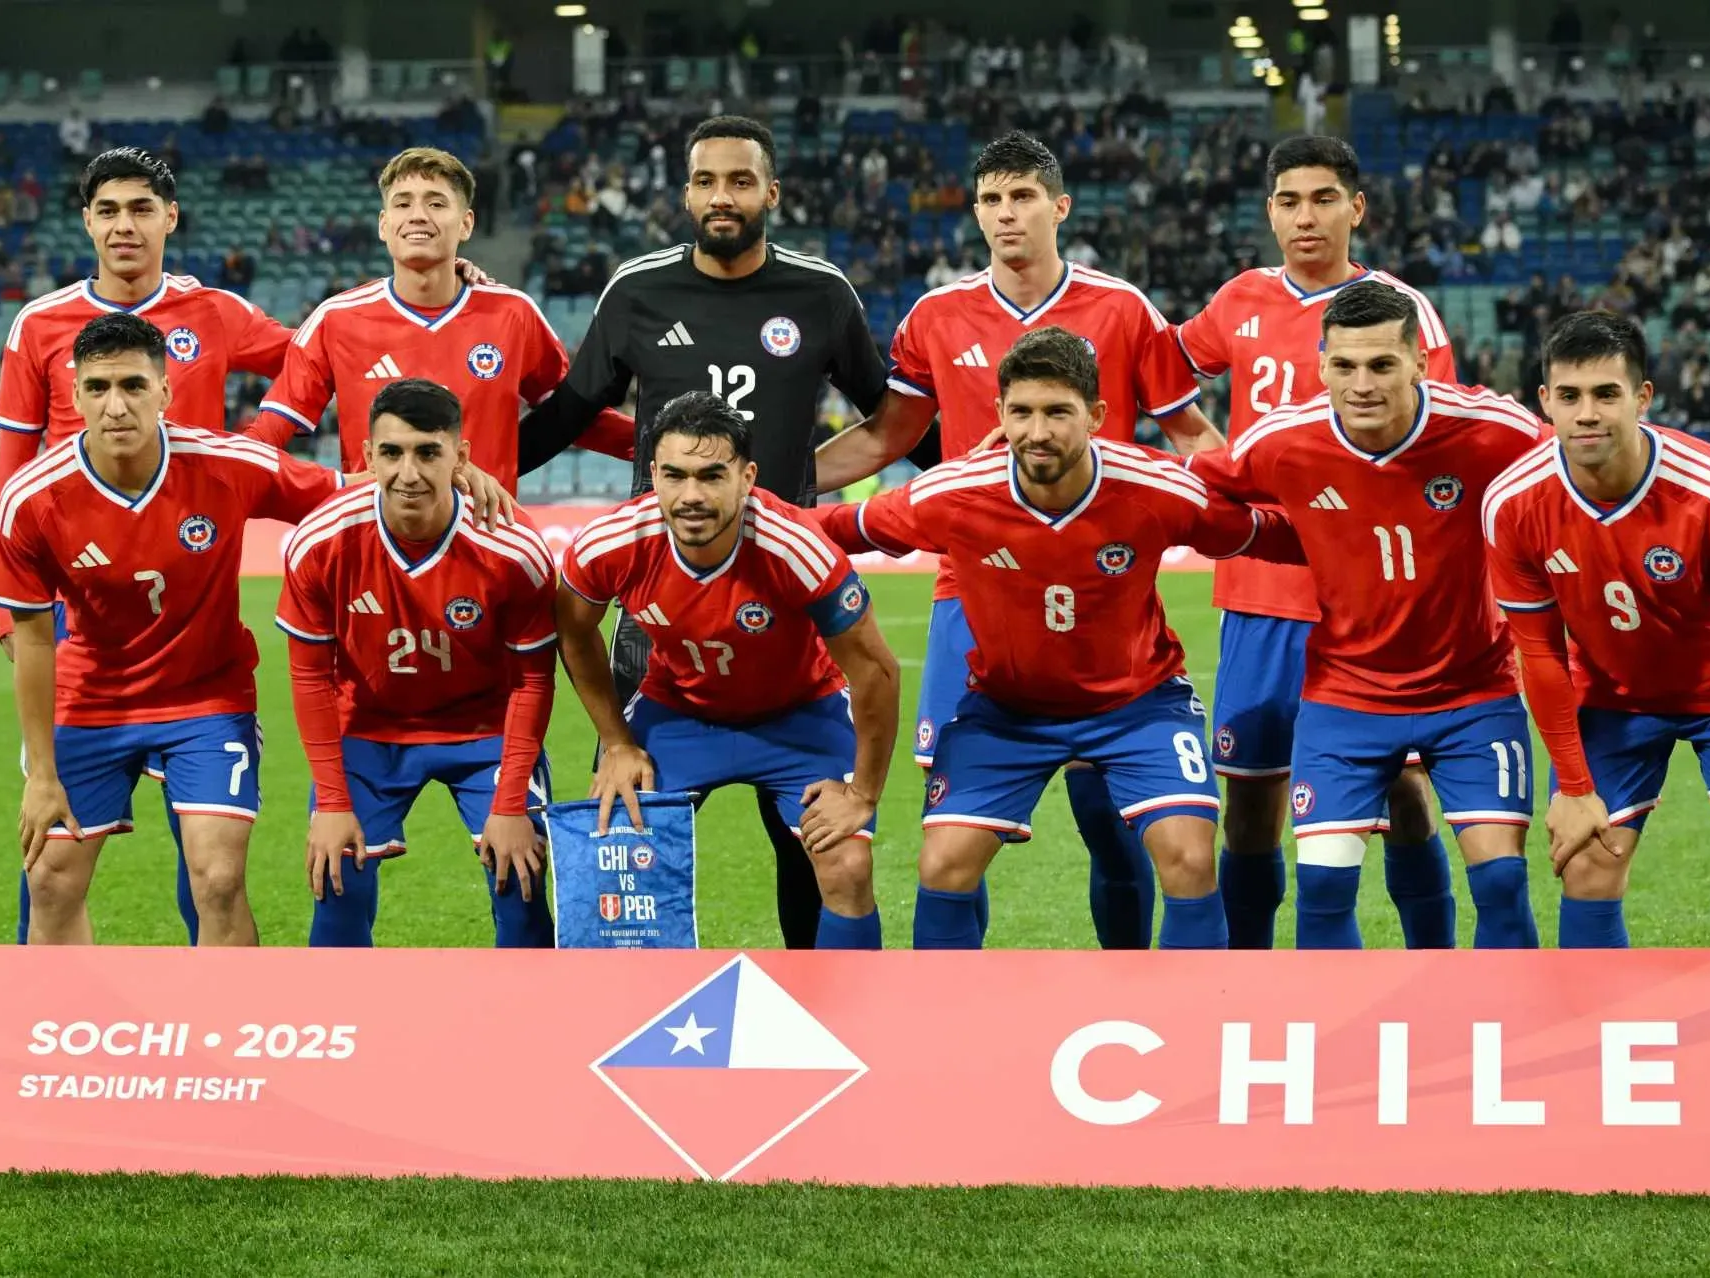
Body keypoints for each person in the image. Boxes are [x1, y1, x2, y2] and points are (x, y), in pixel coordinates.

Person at [811, 131, 1223, 952]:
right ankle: (966, 1000)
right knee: (958, 839)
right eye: (993, 199)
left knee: (1112, 821)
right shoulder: (936, 316)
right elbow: (888, 436)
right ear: (975, 212)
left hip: (1099, 585)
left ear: (1059, 207)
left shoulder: (1122, 310)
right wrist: (770, 488)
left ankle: (1130, 983)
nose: (1008, 214)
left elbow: (1191, 435)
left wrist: (1279, 505)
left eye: (1024, 196)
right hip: (974, 588)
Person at [517, 115, 898, 951]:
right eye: (706, 182)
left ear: (771, 193)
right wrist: (475, 476)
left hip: (785, 584)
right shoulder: (637, 291)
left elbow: (889, 416)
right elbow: (569, 414)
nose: (723, 197)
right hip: (657, 595)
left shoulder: (821, 293)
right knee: (630, 835)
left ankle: (820, 996)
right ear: (687, 195)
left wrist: (813, 478)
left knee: (807, 841)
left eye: (740, 181)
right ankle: (638, 1004)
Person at [819, 327, 1302, 950]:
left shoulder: (1154, 488)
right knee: (942, 864)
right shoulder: (955, 493)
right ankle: (945, 1010)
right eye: (1021, 412)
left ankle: (1199, 1009)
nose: (1037, 431)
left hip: (1140, 705)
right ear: (998, 413)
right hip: (1005, 712)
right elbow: (833, 527)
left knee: (1188, 858)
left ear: (1096, 416)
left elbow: (1268, 534)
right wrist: (733, 520)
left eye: (1057, 412)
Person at [0, 147, 293, 945]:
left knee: (211, 866)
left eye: (141, 209)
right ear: (87, 222)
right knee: (51, 858)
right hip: (81, 602)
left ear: (170, 218)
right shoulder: (40, 325)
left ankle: (212, 1010)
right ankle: (43, 1009)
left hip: (192, 587)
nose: (125, 225)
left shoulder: (214, 312)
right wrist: (11, 613)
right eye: (109, 211)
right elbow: (11, 469)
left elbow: (320, 359)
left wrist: (260, 443)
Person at [1187, 281, 1544, 950]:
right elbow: (1189, 485)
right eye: (1345, 366)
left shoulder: (1492, 430)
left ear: (1419, 362)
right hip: (1345, 697)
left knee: (1501, 881)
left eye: (1382, 365)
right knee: (1322, 889)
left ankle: (1488, 1008)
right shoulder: (1285, 439)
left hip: (1472, 692)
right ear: (1321, 365)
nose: (1362, 385)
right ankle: (1320, 1020)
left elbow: (1583, 461)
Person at [1173, 135, 1459, 951]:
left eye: (1324, 199)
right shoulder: (1240, 300)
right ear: (1270, 212)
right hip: (1261, 591)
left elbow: (1441, 438)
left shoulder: (1399, 310)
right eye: (1290, 201)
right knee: (1251, 801)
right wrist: (1206, 450)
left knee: (1403, 792)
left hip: (1369, 596)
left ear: (1355, 208)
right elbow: (1157, 373)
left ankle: (1436, 967)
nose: (1307, 217)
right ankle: (1249, 977)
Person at [0, 313, 342, 945]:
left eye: (133, 385)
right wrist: (41, 776)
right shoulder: (32, 498)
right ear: (75, 396)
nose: (116, 406)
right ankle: (61, 1010)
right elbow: (35, 639)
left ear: (165, 392)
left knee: (218, 879)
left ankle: (226, 1010)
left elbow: (348, 497)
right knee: (50, 881)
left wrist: (450, 477)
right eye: (98, 388)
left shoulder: (227, 464)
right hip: (91, 699)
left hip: (206, 697)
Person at [1483, 310, 1710, 948]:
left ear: (1642, 397)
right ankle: (1593, 1013)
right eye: (1570, 396)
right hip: (1612, 695)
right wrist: (1573, 787)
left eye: (1607, 394)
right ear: (1545, 400)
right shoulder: (1514, 503)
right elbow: (1540, 656)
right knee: (1587, 864)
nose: (1587, 414)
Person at [556, 391, 900, 950]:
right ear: (653, 475)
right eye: (675, 475)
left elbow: (876, 672)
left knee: (847, 866)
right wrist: (616, 743)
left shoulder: (797, 548)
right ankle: (640, 1001)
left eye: (712, 475)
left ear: (747, 477)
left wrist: (862, 793)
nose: (691, 495)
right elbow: (574, 632)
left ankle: (848, 1003)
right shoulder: (610, 544)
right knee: (619, 852)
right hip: (680, 711)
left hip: (802, 714)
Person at [277, 379, 560, 947]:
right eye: (392, 452)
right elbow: (309, 678)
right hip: (368, 730)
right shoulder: (321, 542)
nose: (408, 473)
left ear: (461, 456)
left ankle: (533, 1004)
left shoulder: (512, 549)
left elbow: (534, 680)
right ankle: (340, 1006)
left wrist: (510, 804)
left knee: (521, 881)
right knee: (337, 881)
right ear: (367, 456)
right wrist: (331, 802)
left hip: (485, 732)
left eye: (428, 452)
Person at [259, 147, 634, 484]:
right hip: (374, 533)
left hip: (486, 532)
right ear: (383, 225)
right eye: (403, 204)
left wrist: (657, 444)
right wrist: (340, 489)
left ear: (467, 223)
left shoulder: (513, 314)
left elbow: (574, 419)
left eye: (436, 204)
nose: (418, 216)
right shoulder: (335, 319)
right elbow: (265, 440)